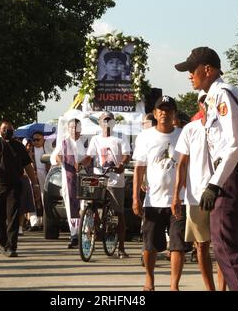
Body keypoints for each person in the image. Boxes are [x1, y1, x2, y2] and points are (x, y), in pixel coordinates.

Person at [175, 47, 238, 291]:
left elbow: (233, 143)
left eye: (192, 70)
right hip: (237, 176)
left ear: (207, 70)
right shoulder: (217, 96)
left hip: (230, 178)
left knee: (224, 244)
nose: (189, 75)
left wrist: (214, 184)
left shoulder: (222, 94)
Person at [133, 96, 191, 291]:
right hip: (153, 199)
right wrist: (135, 198)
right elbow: (139, 168)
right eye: (161, 110)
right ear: (155, 113)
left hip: (179, 199)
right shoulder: (145, 136)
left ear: (174, 114)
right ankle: (149, 279)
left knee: (177, 245)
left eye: (169, 110)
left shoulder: (183, 135)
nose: (165, 113)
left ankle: (174, 285)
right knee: (149, 245)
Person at [173, 91, 216, 291]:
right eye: (204, 100)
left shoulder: (224, 127)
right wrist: (176, 195)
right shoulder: (190, 129)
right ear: (199, 103)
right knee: (202, 246)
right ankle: (211, 289)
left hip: (221, 193)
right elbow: (181, 164)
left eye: (210, 99)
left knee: (224, 247)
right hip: (196, 196)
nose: (207, 103)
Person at [0, 121, 41, 257]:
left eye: (9, 129)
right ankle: (2, 241)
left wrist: (35, 184)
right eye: (4, 129)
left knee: (13, 216)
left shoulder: (18, 146)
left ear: (13, 131)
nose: (7, 131)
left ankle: (11, 246)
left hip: (15, 185)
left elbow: (28, 165)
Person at [82, 111, 131, 258]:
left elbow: (126, 155)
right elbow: (89, 157)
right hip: (99, 178)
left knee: (118, 212)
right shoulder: (95, 139)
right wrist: (79, 164)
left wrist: (122, 164)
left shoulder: (120, 138)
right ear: (100, 122)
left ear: (114, 122)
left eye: (109, 119)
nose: (107, 122)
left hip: (115, 180)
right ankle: (94, 227)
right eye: (104, 119)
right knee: (90, 203)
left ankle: (121, 247)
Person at [51, 118, 87, 248]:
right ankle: (74, 235)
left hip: (85, 179)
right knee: (71, 207)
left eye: (76, 127)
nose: (74, 130)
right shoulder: (64, 142)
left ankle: (85, 234)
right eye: (72, 127)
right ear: (68, 129)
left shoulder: (86, 142)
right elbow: (55, 157)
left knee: (84, 206)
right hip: (69, 179)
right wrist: (63, 161)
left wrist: (82, 164)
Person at [28, 131, 52, 229]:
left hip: (44, 174)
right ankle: (34, 223)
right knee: (33, 197)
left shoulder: (46, 148)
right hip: (33, 174)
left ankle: (44, 221)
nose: (36, 142)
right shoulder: (30, 149)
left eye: (38, 139)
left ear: (43, 139)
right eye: (34, 140)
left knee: (44, 196)